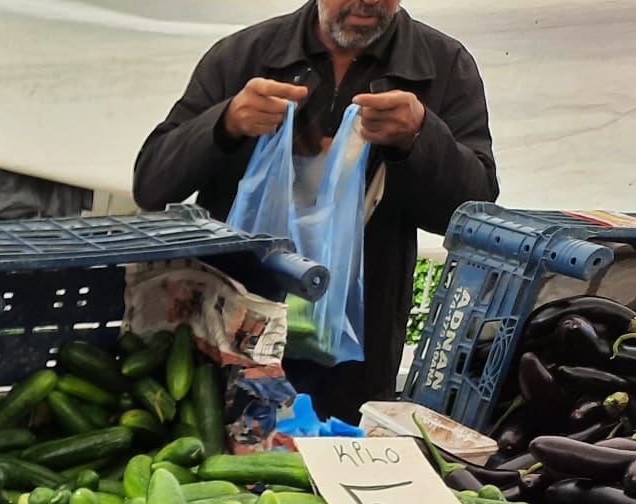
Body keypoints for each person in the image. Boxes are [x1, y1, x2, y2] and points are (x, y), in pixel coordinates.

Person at [133, 0, 498, 422]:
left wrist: (420, 135)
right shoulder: (243, 56)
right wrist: (226, 123)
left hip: (355, 352)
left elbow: (474, 213)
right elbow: (152, 182)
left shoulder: (443, 66)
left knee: (329, 472)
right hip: (226, 338)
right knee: (218, 464)